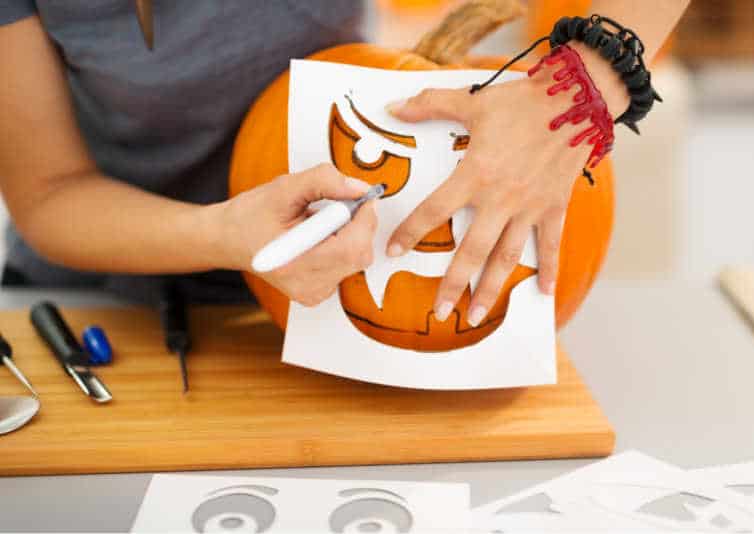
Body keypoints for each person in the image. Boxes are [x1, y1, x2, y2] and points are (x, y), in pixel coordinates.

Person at [0, 1, 687, 327]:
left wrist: (582, 87)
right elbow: (50, 192)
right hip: (96, 306)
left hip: (337, 306)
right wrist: (227, 236)